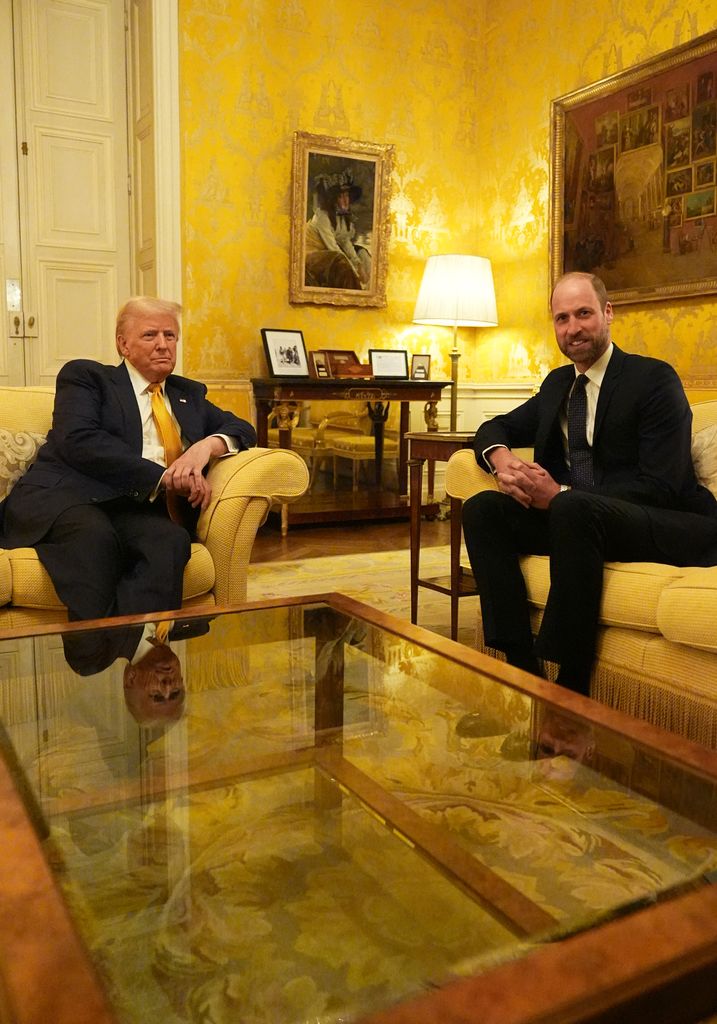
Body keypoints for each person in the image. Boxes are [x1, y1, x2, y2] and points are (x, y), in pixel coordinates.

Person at [463, 271, 717, 696]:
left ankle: (572, 685)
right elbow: (494, 427)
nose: (573, 327)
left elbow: (663, 486)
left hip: (666, 522)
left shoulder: (653, 380)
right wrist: (501, 458)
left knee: (570, 507)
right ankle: (522, 667)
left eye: (583, 313)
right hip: (578, 525)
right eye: (562, 318)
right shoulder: (557, 384)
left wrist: (560, 494)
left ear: (608, 313)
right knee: (482, 509)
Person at [0, 297, 256, 622]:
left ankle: (145, 654)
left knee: (171, 540)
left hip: (133, 508)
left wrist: (204, 448)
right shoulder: (88, 378)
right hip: (69, 499)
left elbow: (242, 428)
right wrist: (163, 477)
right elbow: (79, 441)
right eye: (150, 335)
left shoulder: (187, 394)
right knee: (95, 540)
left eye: (170, 335)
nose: (163, 345)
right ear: (123, 344)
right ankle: (97, 660)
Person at [304, 169, 371, 289]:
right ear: (334, 200)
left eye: (346, 196)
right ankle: (357, 287)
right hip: (311, 254)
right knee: (339, 259)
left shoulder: (343, 217)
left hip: (329, 251)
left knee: (362, 252)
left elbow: (345, 241)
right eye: (341, 197)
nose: (345, 200)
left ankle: (369, 286)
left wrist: (358, 263)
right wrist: (356, 273)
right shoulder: (322, 216)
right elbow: (333, 247)